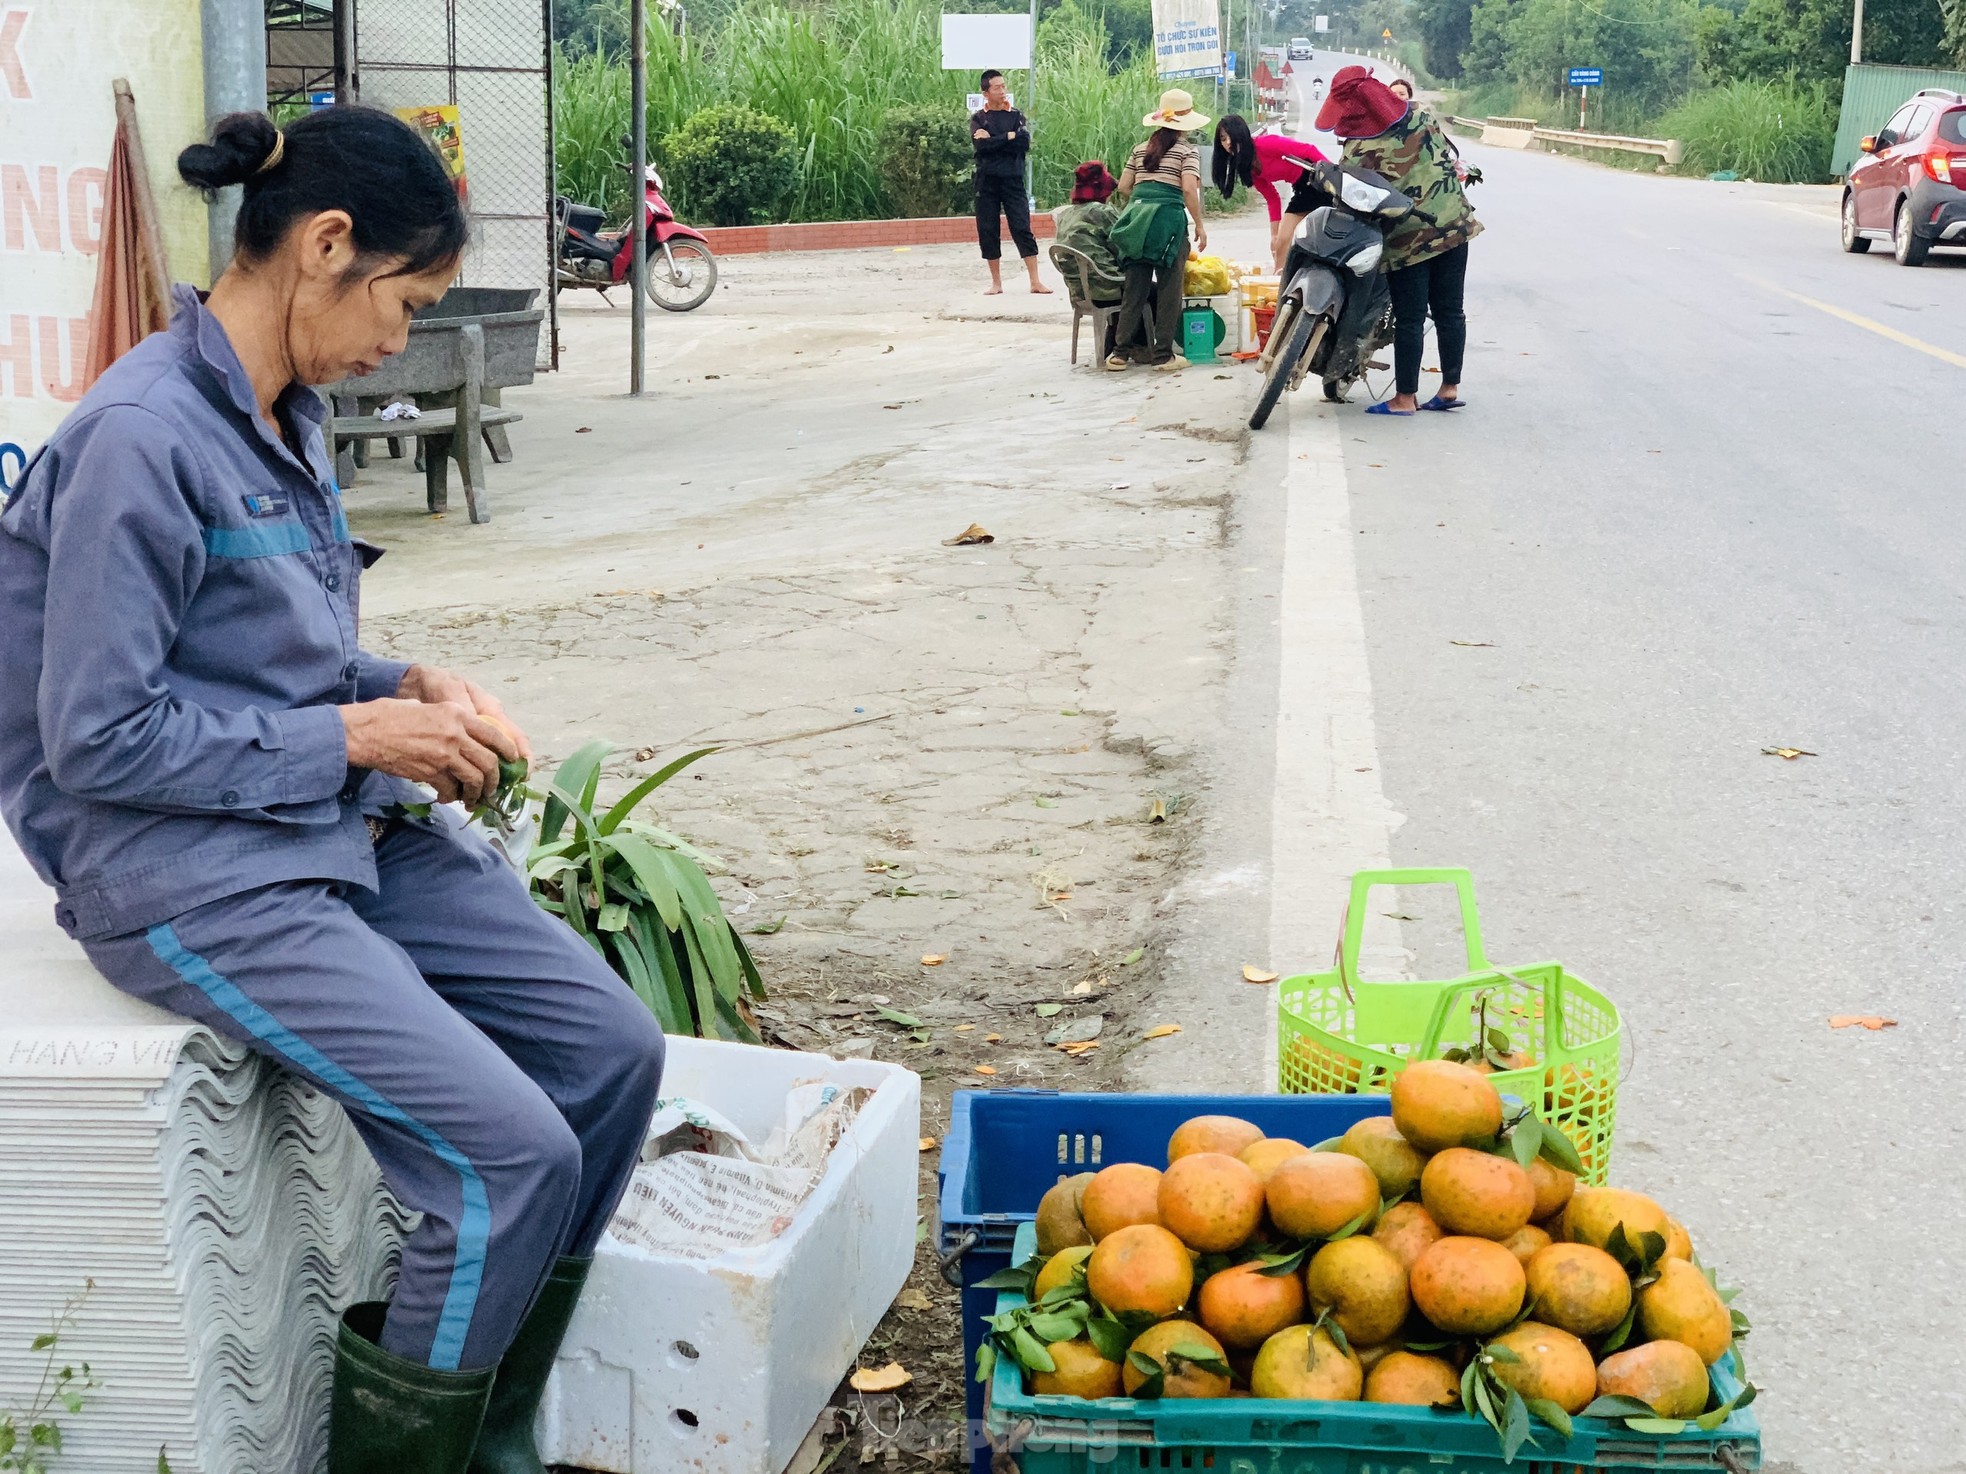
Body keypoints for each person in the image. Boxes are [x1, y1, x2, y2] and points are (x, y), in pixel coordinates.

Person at [0, 107, 666, 1474]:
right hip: (173, 868)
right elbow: (98, 739)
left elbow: (266, 648)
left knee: (611, 1054)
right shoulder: (139, 439)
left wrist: (402, 681)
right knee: (503, 1160)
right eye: (405, 303)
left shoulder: (285, 411)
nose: (395, 341)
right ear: (324, 246)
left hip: (309, 822)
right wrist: (357, 737)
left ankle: (490, 1428)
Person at [1315, 65, 1480, 415]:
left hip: (1408, 240)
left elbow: (1348, 193)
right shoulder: (1421, 113)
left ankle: (1405, 398)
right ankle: (1449, 388)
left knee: (1411, 317)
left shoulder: (1359, 148)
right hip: (1455, 224)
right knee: (1451, 310)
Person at [1108, 89, 1210, 372]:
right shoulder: (1186, 151)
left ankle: (1119, 354)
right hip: (1168, 223)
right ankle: (1163, 355)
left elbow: (1123, 187)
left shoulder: (1140, 149)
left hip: (1136, 221)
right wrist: (1199, 225)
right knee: (1169, 288)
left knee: (1135, 288)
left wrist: (1144, 203)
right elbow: (1189, 189)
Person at [970, 70, 1050, 296]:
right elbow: (981, 148)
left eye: (1004, 86)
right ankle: (996, 283)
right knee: (988, 229)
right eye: (997, 87)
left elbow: (1023, 142)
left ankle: (1035, 281)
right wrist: (1007, 137)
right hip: (987, 182)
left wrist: (995, 140)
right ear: (985, 93)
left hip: (1013, 179)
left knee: (1022, 227)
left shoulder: (1016, 116)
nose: (1003, 91)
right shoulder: (978, 119)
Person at [1212, 113, 1329, 263]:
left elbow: (1308, 150)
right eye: (1223, 139)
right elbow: (1272, 198)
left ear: (1241, 134)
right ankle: (1278, 281)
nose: (1228, 142)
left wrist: (1334, 175)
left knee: (1308, 241)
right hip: (1301, 190)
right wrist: (1274, 235)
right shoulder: (1247, 167)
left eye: (1230, 136)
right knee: (1280, 244)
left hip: (1316, 180)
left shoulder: (1265, 144)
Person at [1052, 161, 1126, 358]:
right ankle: (1134, 347)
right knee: (1147, 291)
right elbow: (1123, 246)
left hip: (1079, 292)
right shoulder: (1101, 212)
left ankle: (1115, 339)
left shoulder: (1065, 214)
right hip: (1105, 289)